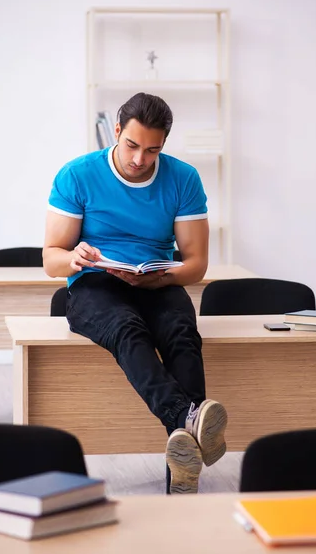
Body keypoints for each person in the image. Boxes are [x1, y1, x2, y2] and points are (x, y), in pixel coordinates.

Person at [43, 92, 227, 494]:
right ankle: (187, 419)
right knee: (127, 329)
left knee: (182, 333)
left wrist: (161, 278)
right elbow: (51, 258)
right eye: (131, 145)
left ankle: (181, 469)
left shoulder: (183, 179)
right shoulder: (77, 175)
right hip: (94, 282)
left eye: (152, 150)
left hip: (154, 279)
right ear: (116, 131)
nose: (140, 159)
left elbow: (195, 264)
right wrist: (76, 256)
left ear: (164, 144)